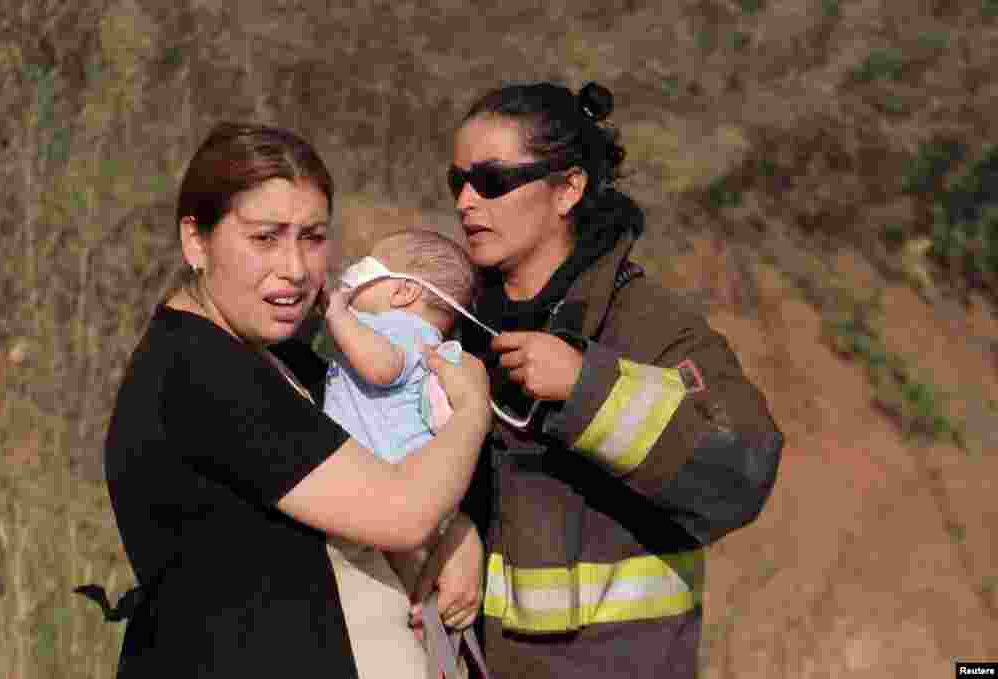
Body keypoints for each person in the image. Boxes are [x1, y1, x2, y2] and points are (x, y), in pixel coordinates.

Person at [89, 122, 491, 678]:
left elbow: (379, 464)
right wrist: (471, 411)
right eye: (264, 238)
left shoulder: (275, 355)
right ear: (194, 240)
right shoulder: (203, 372)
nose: (296, 268)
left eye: (313, 236)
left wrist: (456, 529)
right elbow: (400, 513)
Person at [448, 81, 785, 678]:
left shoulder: (651, 326)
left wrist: (588, 389)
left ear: (569, 188)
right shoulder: (451, 323)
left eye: (493, 181)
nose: (467, 201)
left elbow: (742, 474)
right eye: (458, 183)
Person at [319, 228, 478, 678]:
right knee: (416, 602)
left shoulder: (404, 331)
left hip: (384, 486)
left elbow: (382, 368)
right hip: (404, 490)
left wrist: (337, 314)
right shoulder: (418, 336)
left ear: (406, 291)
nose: (354, 276)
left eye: (367, 270)